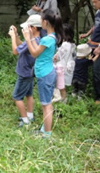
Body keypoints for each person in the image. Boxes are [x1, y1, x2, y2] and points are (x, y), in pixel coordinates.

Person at [22, 9, 64, 139]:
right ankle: (45, 128)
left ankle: (46, 133)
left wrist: (27, 38)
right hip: (47, 72)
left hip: (45, 74)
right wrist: (33, 38)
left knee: (46, 105)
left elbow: (34, 53)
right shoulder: (51, 37)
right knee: (46, 103)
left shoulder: (47, 39)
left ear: (45, 22)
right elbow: (38, 47)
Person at [8, 15, 42, 127]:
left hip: (24, 73)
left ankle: (25, 120)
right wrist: (17, 35)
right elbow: (21, 45)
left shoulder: (33, 40)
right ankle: (30, 115)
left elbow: (15, 51)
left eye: (27, 27)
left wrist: (12, 37)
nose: (25, 30)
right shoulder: (36, 40)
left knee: (17, 97)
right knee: (29, 94)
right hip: (30, 72)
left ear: (34, 28)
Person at [52, 23, 76, 103]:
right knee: (62, 86)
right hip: (68, 67)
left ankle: (59, 99)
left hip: (61, 66)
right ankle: (63, 100)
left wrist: (54, 57)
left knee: (57, 85)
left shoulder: (65, 44)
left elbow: (58, 57)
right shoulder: (72, 44)